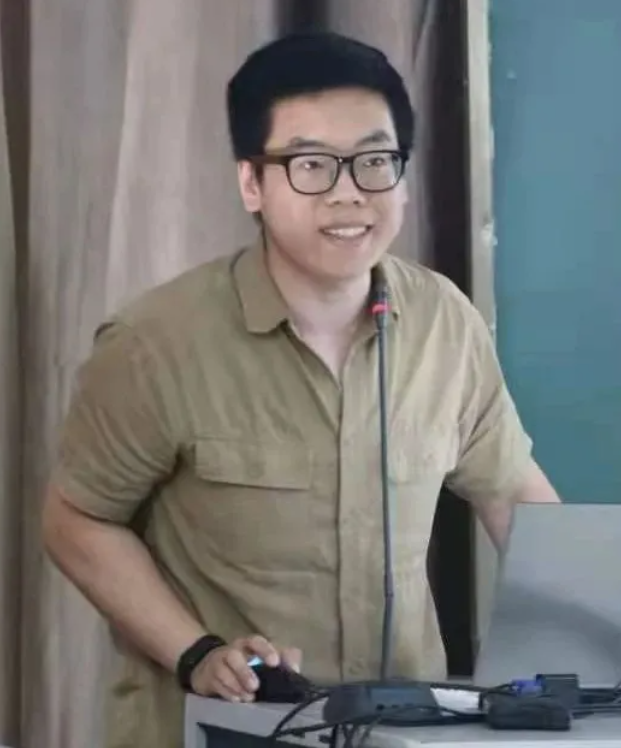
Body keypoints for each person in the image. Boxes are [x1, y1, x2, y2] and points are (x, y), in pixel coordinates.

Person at [42, 31, 561, 748]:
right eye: (311, 164)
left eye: (374, 161)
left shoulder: (446, 321)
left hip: (404, 731)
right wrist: (196, 652)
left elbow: (513, 497)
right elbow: (76, 521)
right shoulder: (154, 344)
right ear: (251, 184)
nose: (348, 192)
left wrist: (597, 634)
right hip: (222, 731)